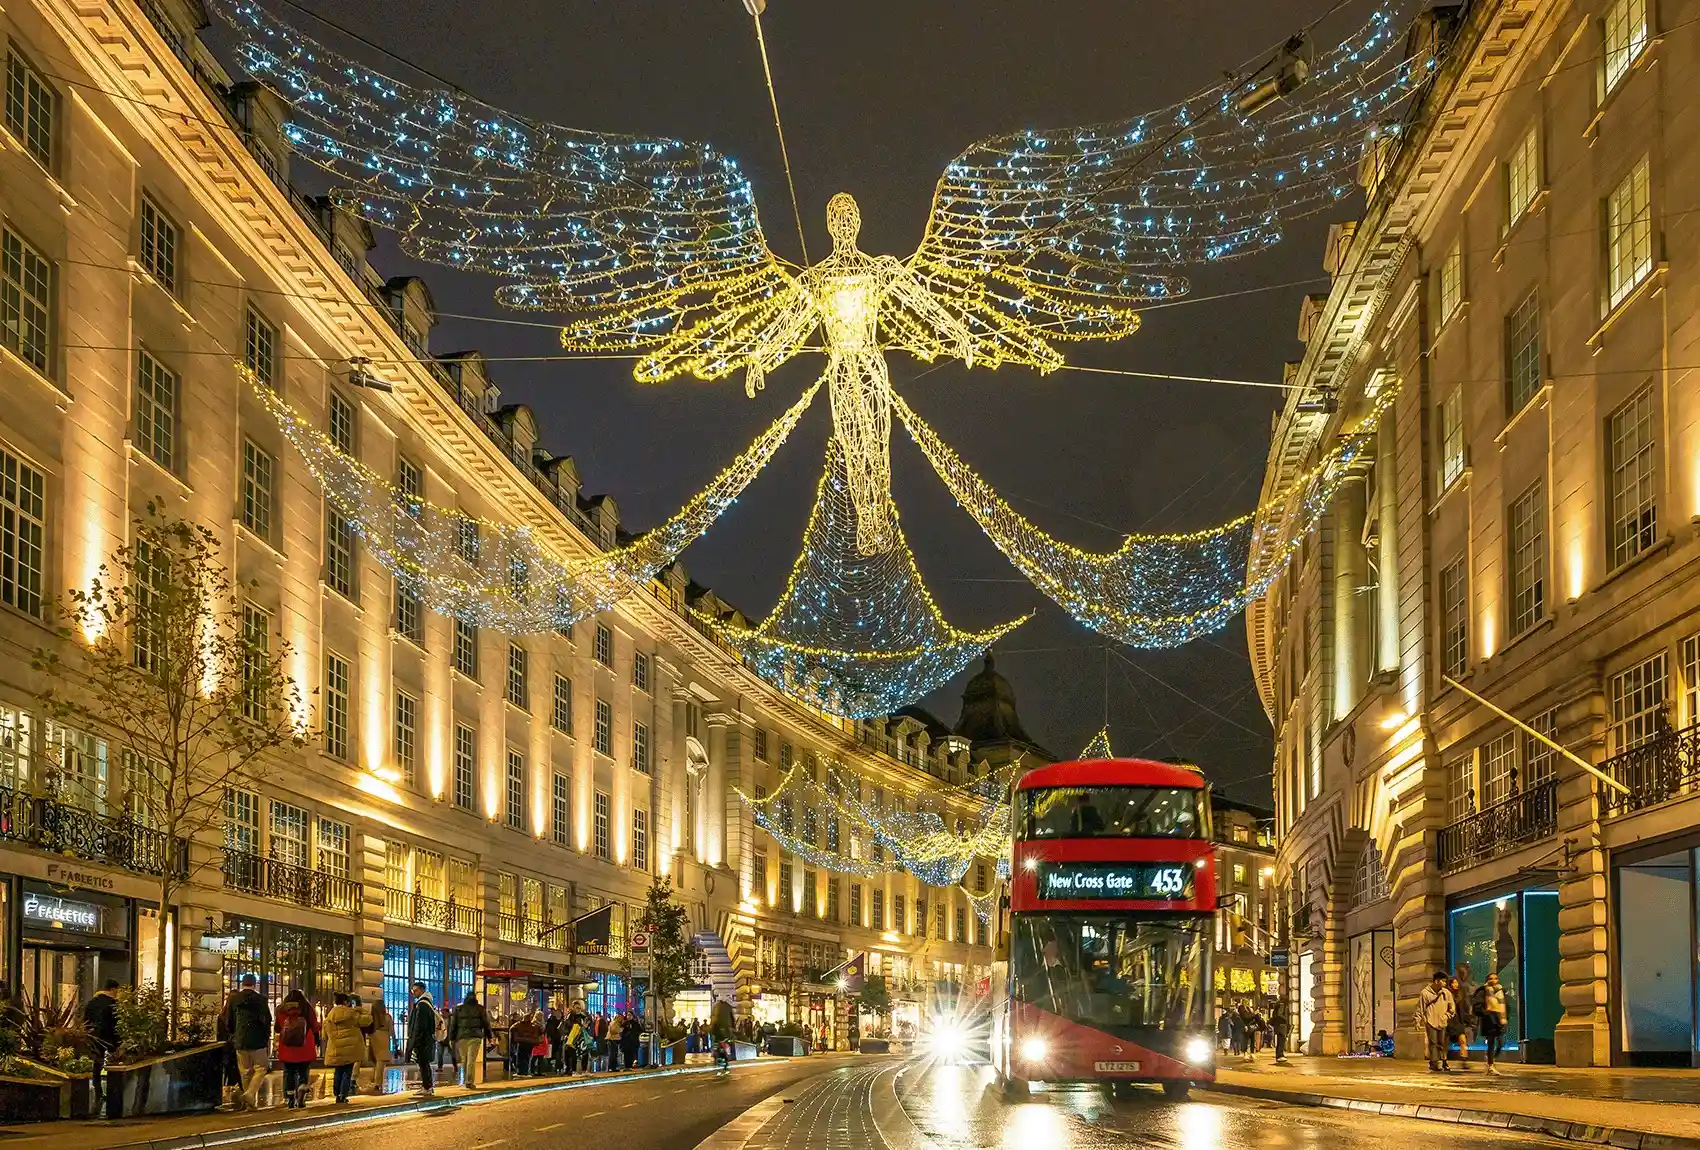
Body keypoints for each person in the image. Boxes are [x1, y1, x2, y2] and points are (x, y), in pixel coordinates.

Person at [225, 974, 273, 1110]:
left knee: (245, 1071)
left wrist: (234, 1034)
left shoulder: (234, 999)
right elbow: (267, 1020)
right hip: (258, 1040)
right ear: (255, 984)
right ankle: (250, 1094)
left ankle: (249, 1103)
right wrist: (265, 1035)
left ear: (242, 983)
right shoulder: (261, 1000)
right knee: (261, 1068)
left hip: (240, 1040)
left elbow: (228, 1020)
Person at [275, 989, 321, 1108]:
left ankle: (289, 1097)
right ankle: (302, 1087)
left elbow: (277, 1027)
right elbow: (315, 1026)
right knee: (303, 1071)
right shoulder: (306, 1008)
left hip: (287, 1046)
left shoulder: (281, 1009)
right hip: (304, 1045)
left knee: (288, 1072)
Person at [324, 992, 370, 1104]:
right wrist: (361, 1009)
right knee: (347, 1072)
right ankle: (343, 1094)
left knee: (338, 1071)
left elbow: (324, 1032)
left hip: (336, 1047)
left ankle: (337, 1093)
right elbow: (367, 1020)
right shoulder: (352, 1014)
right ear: (346, 1002)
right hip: (350, 1048)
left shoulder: (330, 1015)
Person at [82, 979, 120, 1104]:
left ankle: (98, 1090)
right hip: (108, 1038)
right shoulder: (113, 1003)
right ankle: (111, 1091)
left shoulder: (93, 1002)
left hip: (93, 1036)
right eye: (117, 991)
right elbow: (115, 1024)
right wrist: (117, 1042)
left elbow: (85, 1019)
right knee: (113, 1064)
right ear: (113, 989)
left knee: (96, 1064)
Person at [449, 990, 493, 1088]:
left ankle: (466, 1080)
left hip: (462, 1037)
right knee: (471, 1059)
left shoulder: (459, 1009)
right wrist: (490, 1037)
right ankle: (469, 1081)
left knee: (464, 1059)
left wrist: (451, 1038)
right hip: (475, 1036)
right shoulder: (480, 1008)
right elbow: (486, 1023)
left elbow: (453, 1025)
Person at [1419, 970, 1455, 1072]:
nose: (1445, 983)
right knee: (1433, 1043)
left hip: (1442, 1022)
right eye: (1443, 981)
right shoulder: (1425, 993)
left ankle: (1440, 1061)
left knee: (1441, 1043)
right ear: (1436, 981)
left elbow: (1452, 1007)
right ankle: (1435, 1063)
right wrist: (1419, 1020)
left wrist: (1447, 1015)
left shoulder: (1446, 993)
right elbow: (1420, 1008)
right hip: (1430, 1021)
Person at [406, 982, 437, 1096]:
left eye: (416, 990)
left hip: (423, 1040)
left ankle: (427, 1087)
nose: (413, 993)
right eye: (412, 991)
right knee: (424, 1063)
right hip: (426, 1038)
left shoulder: (422, 1004)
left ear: (422, 990)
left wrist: (416, 1040)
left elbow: (420, 1024)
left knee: (423, 1063)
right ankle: (427, 1086)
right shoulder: (427, 1003)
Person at [1477, 973, 1508, 1075]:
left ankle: (1490, 1060)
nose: (1493, 980)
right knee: (1491, 1043)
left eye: (1495, 978)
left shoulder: (1501, 991)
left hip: (1500, 1021)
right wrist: (1487, 1013)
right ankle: (1490, 1065)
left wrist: (1505, 1018)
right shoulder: (1483, 991)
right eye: (1491, 978)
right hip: (1489, 1021)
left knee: (1500, 1043)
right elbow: (1477, 1006)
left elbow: (1505, 1005)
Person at [366, 995, 394, 1095]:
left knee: (376, 1061)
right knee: (381, 1062)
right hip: (384, 1038)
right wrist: (394, 1040)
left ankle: (376, 1080)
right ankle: (378, 1082)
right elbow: (391, 1030)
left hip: (374, 1037)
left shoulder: (372, 1017)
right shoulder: (387, 1017)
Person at [1449, 963, 1476, 1067]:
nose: (1456, 984)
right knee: (1444, 1043)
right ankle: (1443, 1060)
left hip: (1458, 1022)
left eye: (1456, 982)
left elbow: (1463, 1009)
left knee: (1463, 1041)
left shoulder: (1461, 994)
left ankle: (1464, 1060)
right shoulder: (1448, 995)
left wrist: (1467, 1019)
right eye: (1454, 983)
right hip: (1449, 1021)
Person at [1269, 998, 1290, 1064]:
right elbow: (1280, 1014)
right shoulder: (1282, 1004)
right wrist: (1286, 1020)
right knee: (1281, 1040)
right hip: (1281, 1025)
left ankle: (1279, 1055)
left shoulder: (1278, 1004)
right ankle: (1280, 1055)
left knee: (1280, 1040)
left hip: (1278, 1025)